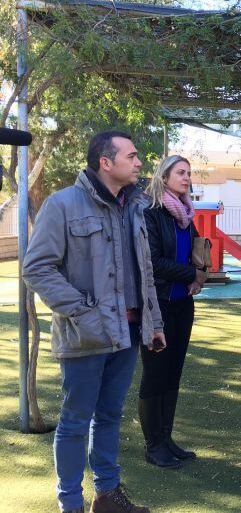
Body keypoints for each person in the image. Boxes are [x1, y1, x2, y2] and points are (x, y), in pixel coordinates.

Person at [23, 131, 164, 513]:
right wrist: (83, 312)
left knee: (109, 417)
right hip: (85, 335)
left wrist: (154, 323)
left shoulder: (135, 206)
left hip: (128, 332)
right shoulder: (62, 204)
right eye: (131, 156)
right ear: (106, 162)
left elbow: (144, 271)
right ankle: (70, 504)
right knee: (75, 421)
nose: (139, 163)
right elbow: (37, 268)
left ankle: (107, 495)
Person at [139, 155, 207, 469]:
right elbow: (152, 262)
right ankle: (153, 445)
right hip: (158, 305)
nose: (186, 177)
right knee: (156, 373)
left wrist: (198, 276)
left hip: (182, 304)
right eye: (180, 172)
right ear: (164, 177)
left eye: (189, 173)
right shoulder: (152, 213)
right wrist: (191, 274)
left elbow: (195, 254)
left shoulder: (186, 215)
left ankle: (166, 438)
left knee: (173, 373)